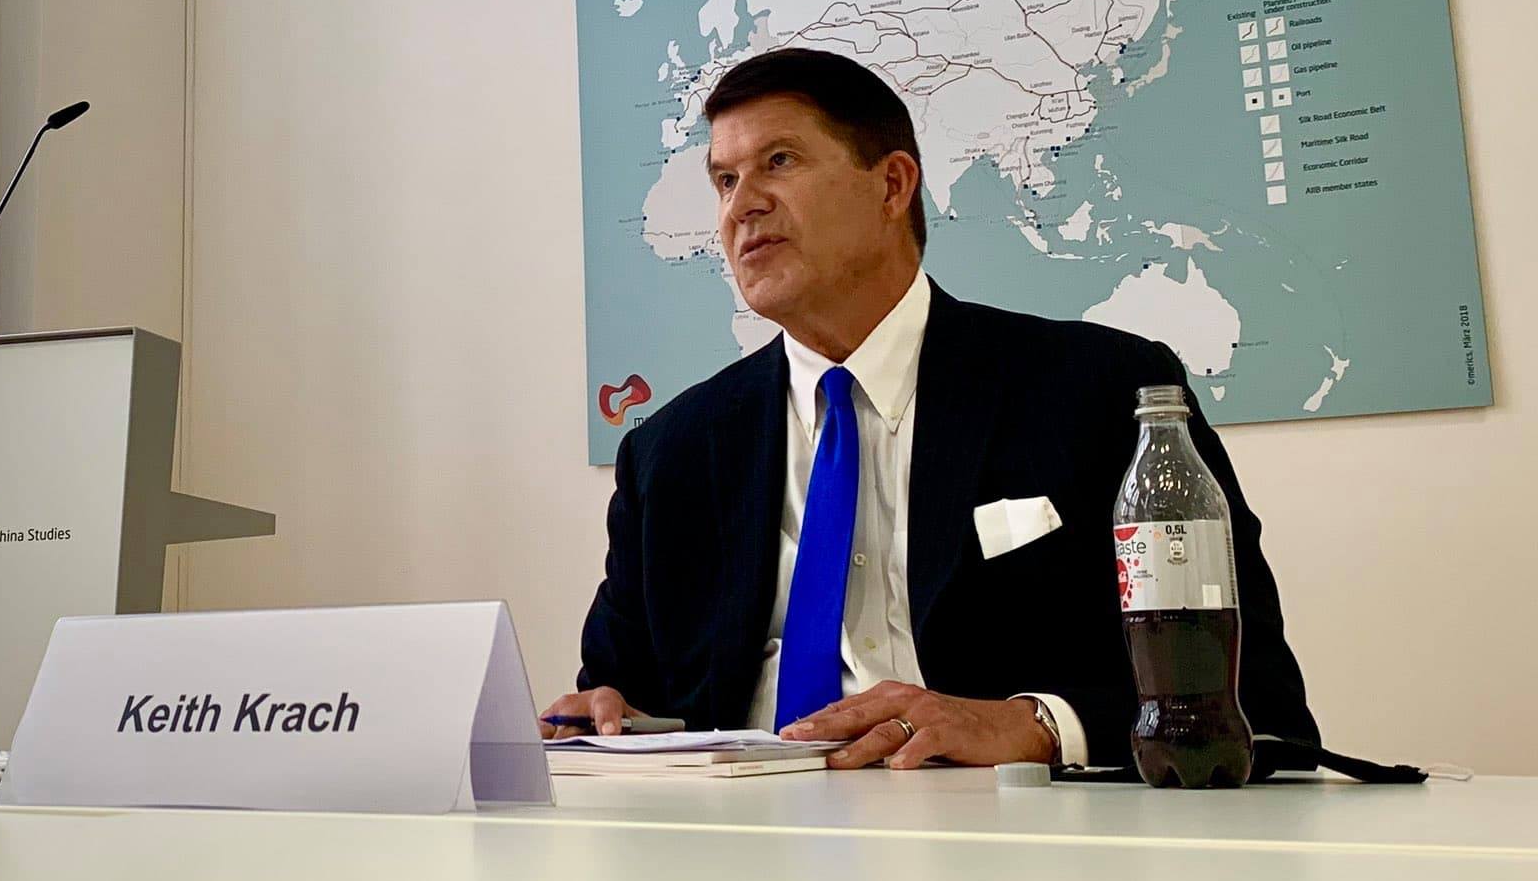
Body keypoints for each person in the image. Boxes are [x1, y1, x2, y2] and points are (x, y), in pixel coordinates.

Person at [544, 47, 1317, 769]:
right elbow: (619, 700)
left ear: (891, 186)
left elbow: (1258, 700)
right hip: (736, 839)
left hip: (1006, 835)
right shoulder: (672, 452)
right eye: (723, 180)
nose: (742, 205)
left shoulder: (1101, 390)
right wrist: (606, 718)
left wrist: (1036, 725)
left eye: (778, 161)